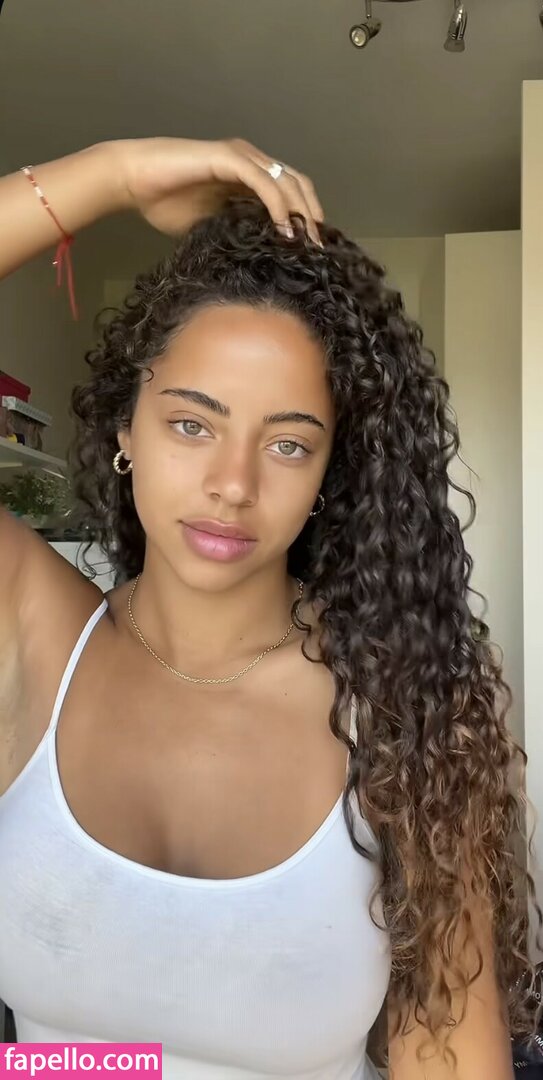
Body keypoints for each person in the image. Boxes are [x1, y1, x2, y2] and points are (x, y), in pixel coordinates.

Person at [0, 136, 539, 1080]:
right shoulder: (30, 633)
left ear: (331, 472)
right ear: (127, 427)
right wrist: (115, 175)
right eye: (191, 423)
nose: (232, 484)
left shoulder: (404, 705)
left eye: (287, 444)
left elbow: (448, 1049)